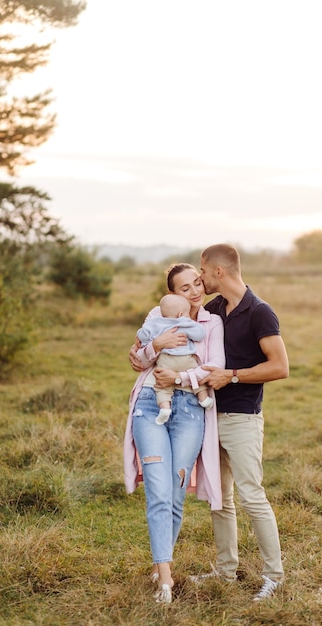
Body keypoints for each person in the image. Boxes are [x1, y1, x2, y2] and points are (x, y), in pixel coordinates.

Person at [188, 243, 289, 602]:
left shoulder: (261, 312)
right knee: (220, 499)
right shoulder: (213, 309)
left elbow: (279, 367)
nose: (199, 277)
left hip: (243, 418)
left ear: (219, 272)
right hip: (209, 417)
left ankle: (274, 577)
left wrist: (230, 376)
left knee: (252, 497)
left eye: (202, 270)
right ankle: (225, 571)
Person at [124, 263, 225, 604]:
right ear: (172, 294)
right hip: (151, 406)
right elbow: (137, 359)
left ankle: (160, 560)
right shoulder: (158, 314)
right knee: (158, 490)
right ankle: (164, 575)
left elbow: (215, 367)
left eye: (197, 283)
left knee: (177, 491)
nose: (195, 291)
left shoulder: (212, 323)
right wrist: (158, 345)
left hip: (190, 412)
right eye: (185, 288)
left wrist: (179, 379)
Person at [136, 293, 214, 425]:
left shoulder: (155, 322)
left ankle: (165, 408)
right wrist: (190, 323)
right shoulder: (185, 322)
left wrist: (145, 339)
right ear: (180, 314)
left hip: (166, 360)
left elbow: (142, 335)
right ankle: (203, 397)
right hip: (186, 359)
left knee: (161, 386)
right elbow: (199, 335)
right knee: (196, 377)